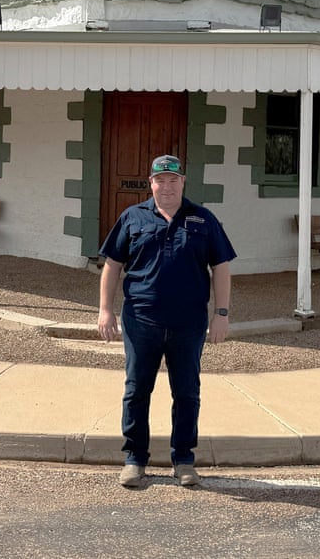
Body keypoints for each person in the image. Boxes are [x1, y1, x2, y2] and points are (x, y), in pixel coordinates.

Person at [97, 154, 236, 488]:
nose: (168, 186)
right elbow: (113, 264)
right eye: (161, 180)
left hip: (188, 324)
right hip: (141, 321)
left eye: (174, 180)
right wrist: (105, 309)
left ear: (183, 182)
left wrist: (221, 314)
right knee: (136, 390)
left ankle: (184, 459)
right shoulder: (132, 217)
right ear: (151, 183)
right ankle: (134, 459)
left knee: (187, 392)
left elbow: (221, 267)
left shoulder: (203, 219)